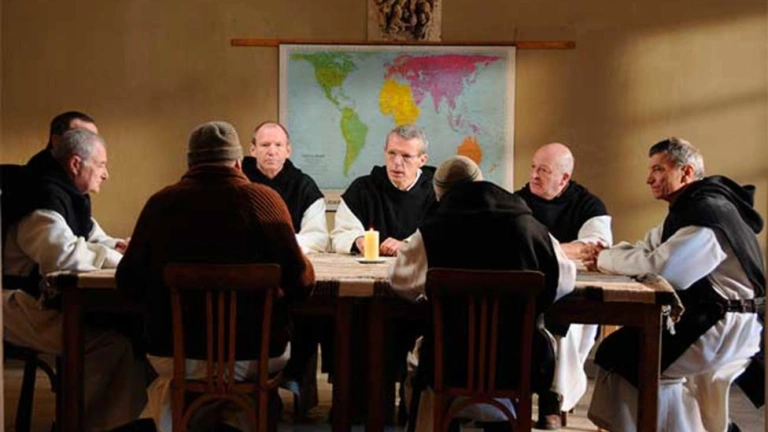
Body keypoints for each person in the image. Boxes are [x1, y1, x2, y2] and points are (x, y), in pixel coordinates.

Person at [116, 121, 315, 432]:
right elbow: (301, 283)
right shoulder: (266, 202)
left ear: (190, 164)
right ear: (238, 163)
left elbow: (127, 282)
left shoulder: (160, 204)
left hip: (175, 354)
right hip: (253, 355)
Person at [586, 137, 764, 432]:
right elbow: (646, 248)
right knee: (620, 351)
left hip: (725, 324)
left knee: (630, 359)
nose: (649, 179)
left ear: (687, 172)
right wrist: (604, 256)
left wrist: (604, 258)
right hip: (710, 318)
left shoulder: (709, 213)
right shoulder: (691, 207)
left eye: (658, 169)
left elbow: (666, 269)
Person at [389, 155, 576, 431]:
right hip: (519, 362)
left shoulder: (431, 233)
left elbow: (400, 282)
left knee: (418, 352)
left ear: (440, 195)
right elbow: (564, 280)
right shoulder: (529, 227)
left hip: (450, 361)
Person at [2, 129, 147, 432]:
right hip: (18, 306)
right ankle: (86, 424)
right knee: (111, 345)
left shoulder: (69, 196)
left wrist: (122, 247)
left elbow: (95, 238)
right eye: (102, 164)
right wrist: (122, 261)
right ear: (75, 164)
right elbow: (64, 257)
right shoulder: (41, 198)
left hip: (41, 304)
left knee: (129, 333)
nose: (106, 174)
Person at [515, 142, 612, 429]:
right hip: (525, 292)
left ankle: (553, 400)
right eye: (533, 167)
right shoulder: (516, 202)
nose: (534, 175)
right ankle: (509, 399)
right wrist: (562, 249)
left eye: (543, 171)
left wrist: (539, 248)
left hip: (570, 291)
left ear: (564, 178)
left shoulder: (589, 205)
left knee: (566, 324)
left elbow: (592, 248)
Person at [331, 124, 436, 257]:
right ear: (385, 151)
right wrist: (358, 241)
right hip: (367, 267)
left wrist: (408, 245)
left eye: (406, 156)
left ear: (422, 160)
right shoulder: (362, 189)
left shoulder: (436, 192)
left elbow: (442, 235)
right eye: (392, 153)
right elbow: (341, 234)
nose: (397, 162)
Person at [242, 121, 329, 253]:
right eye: (265, 145)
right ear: (253, 150)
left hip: (289, 257)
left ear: (288, 151)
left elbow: (318, 238)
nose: (272, 152)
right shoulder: (237, 182)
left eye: (278, 145)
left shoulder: (304, 186)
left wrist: (282, 241)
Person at [26, 110, 99, 177]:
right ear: (57, 141)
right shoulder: (42, 178)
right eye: (82, 137)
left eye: (94, 139)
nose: (93, 146)